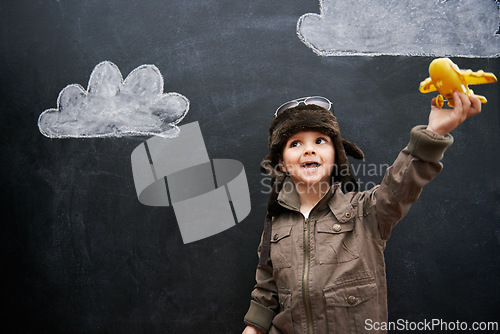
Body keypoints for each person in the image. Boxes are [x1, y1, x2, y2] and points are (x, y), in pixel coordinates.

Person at [242, 93, 481, 334]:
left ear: (336, 155)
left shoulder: (365, 211)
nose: (309, 150)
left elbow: (401, 183)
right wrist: (253, 329)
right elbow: (267, 289)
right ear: (282, 163)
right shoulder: (276, 223)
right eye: (295, 143)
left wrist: (433, 133)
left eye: (320, 141)